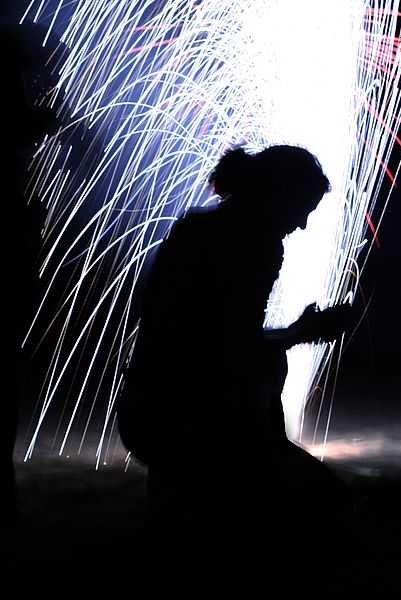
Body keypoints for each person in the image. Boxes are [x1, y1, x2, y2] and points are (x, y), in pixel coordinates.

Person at [118, 145, 353, 583]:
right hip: (187, 422)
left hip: (151, 411)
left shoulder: (197, 231)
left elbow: (219, 341)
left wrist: (294, 332)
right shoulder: (255, 248)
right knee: (321, 513)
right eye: (301, 210)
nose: (301, 225)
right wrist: (301, 333)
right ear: (276, 195)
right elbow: (226, 352)